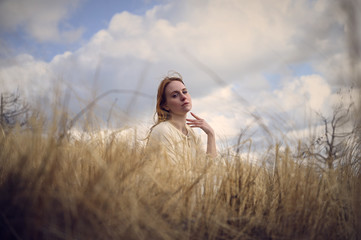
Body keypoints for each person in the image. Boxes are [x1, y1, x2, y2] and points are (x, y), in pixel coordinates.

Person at [147, 72, 216, 165]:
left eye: (184, 92)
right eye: (175, 95)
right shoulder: (162, 131)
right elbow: (171, 176)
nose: (183, 97)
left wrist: (211, 134)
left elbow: (209, 172)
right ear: (165, 105)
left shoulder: (192, 134)